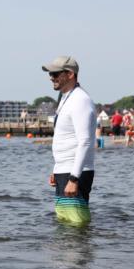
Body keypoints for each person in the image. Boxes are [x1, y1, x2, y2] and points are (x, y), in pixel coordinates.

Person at [42, 56, 96, 226]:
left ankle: (81, 253)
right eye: (51, 73)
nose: (51, 77)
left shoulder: (80, 100)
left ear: (70, 74)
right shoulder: (66, 98)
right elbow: (65, 137)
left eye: (56, 73)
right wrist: (57, 169)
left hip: (75, 174)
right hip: (64, 170)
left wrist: (73, 178)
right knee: (65, 224)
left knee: (76, 225)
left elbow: (85, 141)